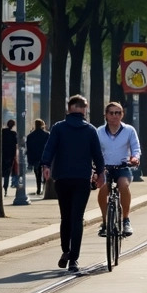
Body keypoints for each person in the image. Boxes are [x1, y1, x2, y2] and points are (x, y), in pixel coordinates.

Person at [42, 95, 105, 273]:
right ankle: (74, 260)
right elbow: (97, 154)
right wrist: (100, 173)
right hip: (82, 178)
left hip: (62, 178)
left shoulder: (58, 128)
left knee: (65, 217)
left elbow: (50, 148)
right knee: (77, 218)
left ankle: (65, 250)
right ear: (84, 109)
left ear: (69, 108)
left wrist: (46, 165)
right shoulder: (90, 130)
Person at [95, 101, 141, 238]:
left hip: (123, 167)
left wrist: (135, 158)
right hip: (106, 168)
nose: (115, 116)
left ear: (122, 115)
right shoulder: (99, 132)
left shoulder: (129, 130)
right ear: (106, 116)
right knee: (103, 189)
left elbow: (136, 148)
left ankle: (126, 219)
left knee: (123, 185)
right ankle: (104, 222)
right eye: (111, 113)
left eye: (118, 113)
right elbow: (94, 150)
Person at [25, 119, 50, 195]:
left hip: (35, 156)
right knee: (45, 172)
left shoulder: (30, 136)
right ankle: (44, 187)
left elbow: (29, 148)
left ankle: (38, 188)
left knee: (37, 173)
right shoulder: (47, 135)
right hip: (44, 156)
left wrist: (30, 158)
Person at [2, 118, 19, 195]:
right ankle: (5, 188)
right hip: (10, 156)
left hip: (2, 154)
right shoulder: (13, 134)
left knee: (0, 172)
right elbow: (15, 145)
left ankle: (2, 189)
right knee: (7, 173)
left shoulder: (2, 132)